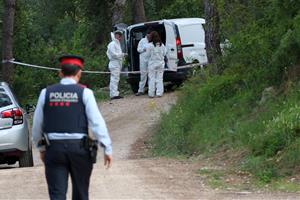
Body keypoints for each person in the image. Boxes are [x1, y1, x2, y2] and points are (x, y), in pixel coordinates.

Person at [32, 55, 112, 200]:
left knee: (57, 194)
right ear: (79, 73)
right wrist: (107, 147)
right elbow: (96, 122)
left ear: (60, 73)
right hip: (80, 150)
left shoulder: (46, 93)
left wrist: (41, 148)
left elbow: (37, 125)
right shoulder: (85, 93)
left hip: (54, 149)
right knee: (81, 194)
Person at [146, 31, 167, 98]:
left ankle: (151, 94)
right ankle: (159, 93)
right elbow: (164, 53)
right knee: (160, 79)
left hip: (152, 64)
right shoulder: (162, 45)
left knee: (152, 79)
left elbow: (147, 55)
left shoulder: (149, 46)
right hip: (160, 64)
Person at [106, 31, 126, 100]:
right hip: (114, 64)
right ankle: (113, 94)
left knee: (115, 79)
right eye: (119, 36)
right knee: (114, 79)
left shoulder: (117, 44)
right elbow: (113, 54)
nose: (120, 38)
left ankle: (114, 93)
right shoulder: (112, 44)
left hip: (117, 64)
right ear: (116, 36)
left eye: (120, 37)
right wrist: (122, 54)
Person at [135, 29, 152, 96]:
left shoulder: (152, 41)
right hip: (143, 60)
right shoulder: (142, 41)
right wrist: (143, 49)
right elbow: (138, 49)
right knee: (143, 75)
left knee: (151, 75)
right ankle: (140, 90)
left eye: (150, 35)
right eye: (148, 34)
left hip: (150, 60)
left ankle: (151, 90)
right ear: (146, 34)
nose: (149, 36)